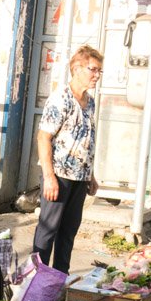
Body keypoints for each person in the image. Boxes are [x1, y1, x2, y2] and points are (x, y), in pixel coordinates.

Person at [32, 45, 102, 274]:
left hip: (80, 178)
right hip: (59, 176)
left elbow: (85, 139)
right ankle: (35, 282)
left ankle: (58, 280)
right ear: (77, 68)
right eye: (93, 70)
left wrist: (90, 175)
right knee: (48, 229)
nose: (97, 76)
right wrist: (49, 177)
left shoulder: (89, 102)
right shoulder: (61, 99)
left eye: (99, 71)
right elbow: (44, 137)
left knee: (69, 231)